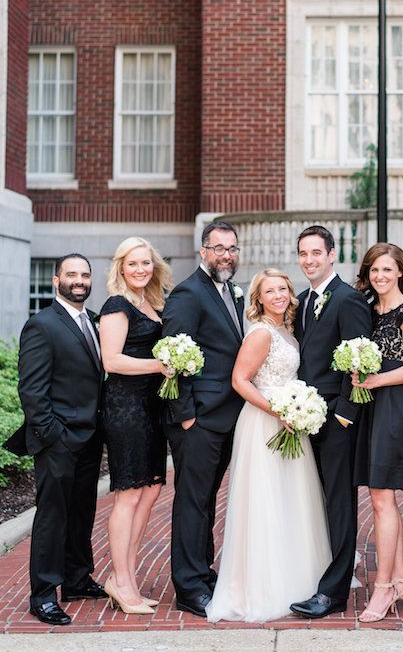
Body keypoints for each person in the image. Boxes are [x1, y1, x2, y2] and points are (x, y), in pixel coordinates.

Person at [206, 269, 332, 622]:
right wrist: (277, 409)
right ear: (258, 298)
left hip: (293, 422)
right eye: (269, 291)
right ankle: (264, 586)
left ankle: (299, 578)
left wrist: (297, 410)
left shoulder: (288, 331)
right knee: (266, 502)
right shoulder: (261, 333)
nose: (277, 295)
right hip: (265, 423)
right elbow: (240, 380)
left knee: (292, 500)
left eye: (282, 289)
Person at [6, 254, 106, 625]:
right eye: (71, 275)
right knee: (52, 516)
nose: (79, 280)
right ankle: (43, 594)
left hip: (91, 437)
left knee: (82, 511)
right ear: (55, 280)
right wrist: (54, 436)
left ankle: (77, 579)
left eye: (84, 275)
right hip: (58, 440)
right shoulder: (42, 325)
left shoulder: (93, 322)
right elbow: (31, 391)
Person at [162, 220, 245, 618]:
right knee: (192, 502)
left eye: (231, 248)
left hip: (226, 417)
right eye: (218, 248)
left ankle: (202, 570)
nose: (226, 255)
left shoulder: (229, 291)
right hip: (199, 421)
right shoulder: (187, 294)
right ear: (203, 252)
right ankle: (188, 586)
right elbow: (174, 357)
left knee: (207, 500)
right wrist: (185, 418)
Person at [289, 225, 372, 620]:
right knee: (313, 502)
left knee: (339, 504)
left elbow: (357, 363)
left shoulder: (349, 300)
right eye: (303, 253)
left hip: (336, 422)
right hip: (304, 418)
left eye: (316, 253)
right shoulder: (302, 300)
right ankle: (315, 572)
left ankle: (333, 591)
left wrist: (343, 415)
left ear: (332, 254)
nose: (309, 260)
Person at [353, 243, 403, 622]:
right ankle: (400, 579)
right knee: (379, 496)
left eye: (386, 270)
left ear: (400, 271)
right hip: (371, 405)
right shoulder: (369, 312)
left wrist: (377, 379)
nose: (380, 277)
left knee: (382, 496)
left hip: (396, 406)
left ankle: (382, 588)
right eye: (374, 271)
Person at [99, 237, 174, 614]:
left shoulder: (153, 303)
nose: (141, 269)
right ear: (121, 268)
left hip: (152, 407)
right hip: (126, 407)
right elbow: (111, 361)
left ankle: (126, 578)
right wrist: (159, 365)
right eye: (133, 264)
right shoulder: (117, 305)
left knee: (151, 492)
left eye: (146, 263)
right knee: (129, 495)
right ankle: (121, 581)